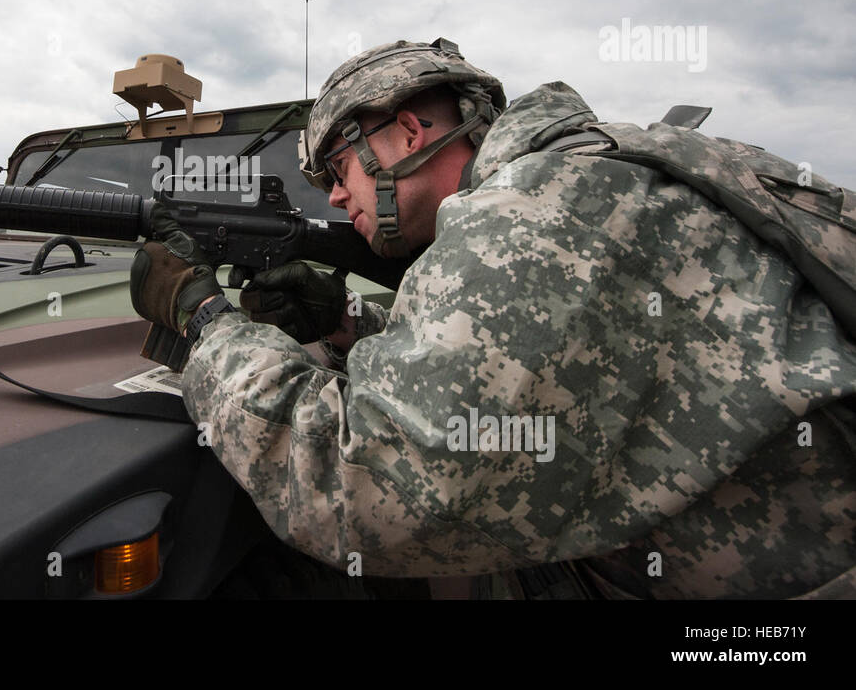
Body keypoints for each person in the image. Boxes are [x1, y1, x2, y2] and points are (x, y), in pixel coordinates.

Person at [130, 38, 856, 599]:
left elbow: (361, 490)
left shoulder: (528, 219)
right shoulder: (581, 174)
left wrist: (206, 323)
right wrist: (350, 321)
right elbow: (549, 367)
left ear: (407, 132)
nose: (332, 202)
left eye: (340, 172)